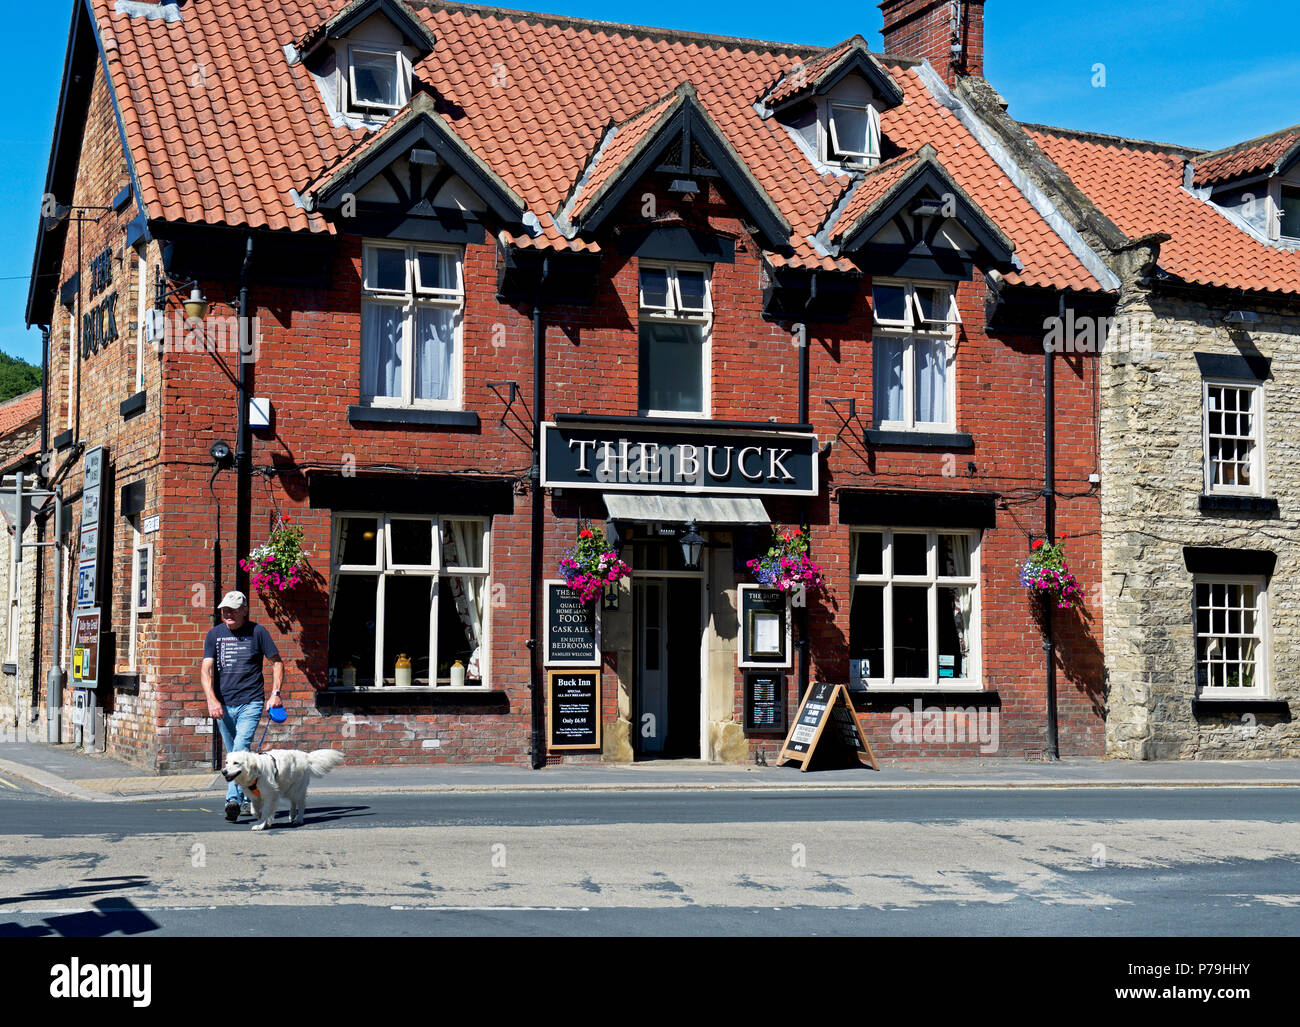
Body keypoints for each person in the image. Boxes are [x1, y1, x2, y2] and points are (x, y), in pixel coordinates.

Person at [200, 590, 284, 822]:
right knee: (235, 757)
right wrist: (211, 699)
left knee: (239, 749)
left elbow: (277, 663)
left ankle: (232, 800)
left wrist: (275, 694)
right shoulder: (214, 635)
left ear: (245, 610)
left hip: (251, 702)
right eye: (225, 610)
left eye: (233, 610)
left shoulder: (258, 632)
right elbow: (206, 670)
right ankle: (249, 797)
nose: (228, 614)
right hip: (223, 705)